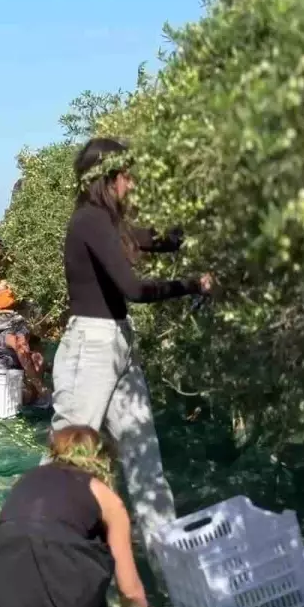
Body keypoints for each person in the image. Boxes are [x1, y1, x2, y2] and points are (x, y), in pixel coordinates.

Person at [49, 137, 213, 563]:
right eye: (127, 175)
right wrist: (192, 284)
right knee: (71, 455)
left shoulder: (106, 223)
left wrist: (201, 227)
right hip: (91, 346)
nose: (132, 183)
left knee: (144, 457)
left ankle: (172, 563)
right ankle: (45, 555)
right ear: (108, 177)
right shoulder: (88, 221)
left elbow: (154, 238)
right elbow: (134, 288)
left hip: (116, 343)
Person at [0, 426, 167, 607]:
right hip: (59, 579)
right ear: (103, 458)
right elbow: (130, 590)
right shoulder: (106, 497)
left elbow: (15, 535)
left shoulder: (28, 478)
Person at [0, 313, 49, 406]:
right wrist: (41, 388)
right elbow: (25, 358)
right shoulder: (21, 333)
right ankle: (36, 398)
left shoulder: (1, 326)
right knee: (26, 394)